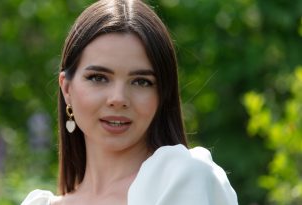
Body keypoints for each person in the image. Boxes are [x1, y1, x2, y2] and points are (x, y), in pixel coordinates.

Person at [21, 0, 238, 204]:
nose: (118, 99)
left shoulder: (184, 178)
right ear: (67, 88)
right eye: (98, 78)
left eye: (141, 82)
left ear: (162, 94)